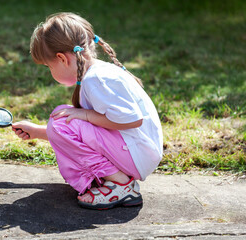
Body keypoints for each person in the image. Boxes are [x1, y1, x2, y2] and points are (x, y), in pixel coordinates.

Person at [12, 12, 163, 210]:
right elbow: (89, 132)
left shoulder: (96, 80)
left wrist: (85, 115)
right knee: (62, 117)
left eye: (49, 66)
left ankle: (120, 185)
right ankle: (113, 178)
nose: (50, 71)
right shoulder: (97, 73)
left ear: (62, 59)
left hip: (138, 155)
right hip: (137, 152)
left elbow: (133, 120)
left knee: (62, 121)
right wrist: (38, 132)